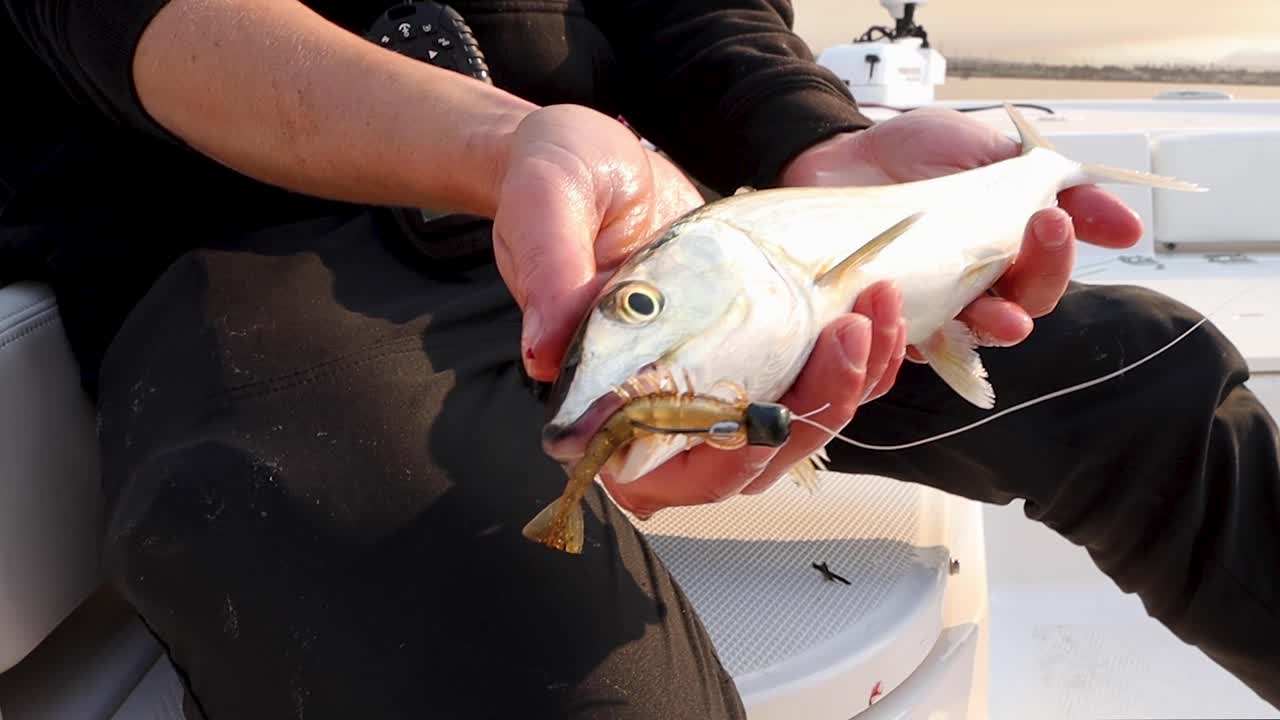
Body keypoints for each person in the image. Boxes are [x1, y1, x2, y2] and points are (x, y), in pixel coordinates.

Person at [2, 0, 1275, 717]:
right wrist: (508, 148)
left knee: (1150, 378)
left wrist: (805, 147)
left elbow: (695, 10)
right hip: (256, 245)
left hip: (656, 224)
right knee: (428, 586)